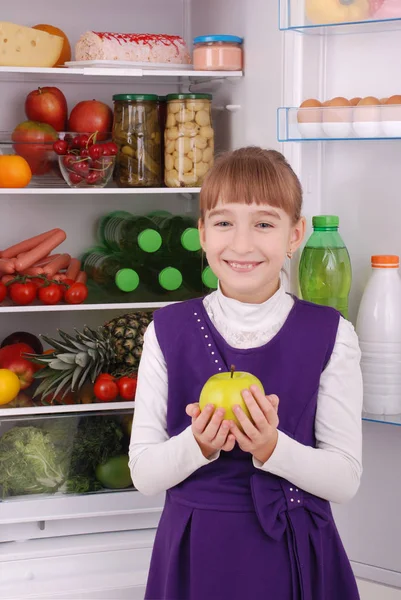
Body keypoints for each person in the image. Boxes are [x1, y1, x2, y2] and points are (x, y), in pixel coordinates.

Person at [129, 146, 363, 600]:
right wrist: (198, 443)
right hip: (196, 551)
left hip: (294, 551)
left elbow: (344, 478)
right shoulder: (167, 330)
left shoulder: (332, 334)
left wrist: (271, 447)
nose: (240, 244)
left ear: (294, 235)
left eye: (263, 223)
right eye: (223, 222)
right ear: (201, 232)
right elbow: (144, 473)